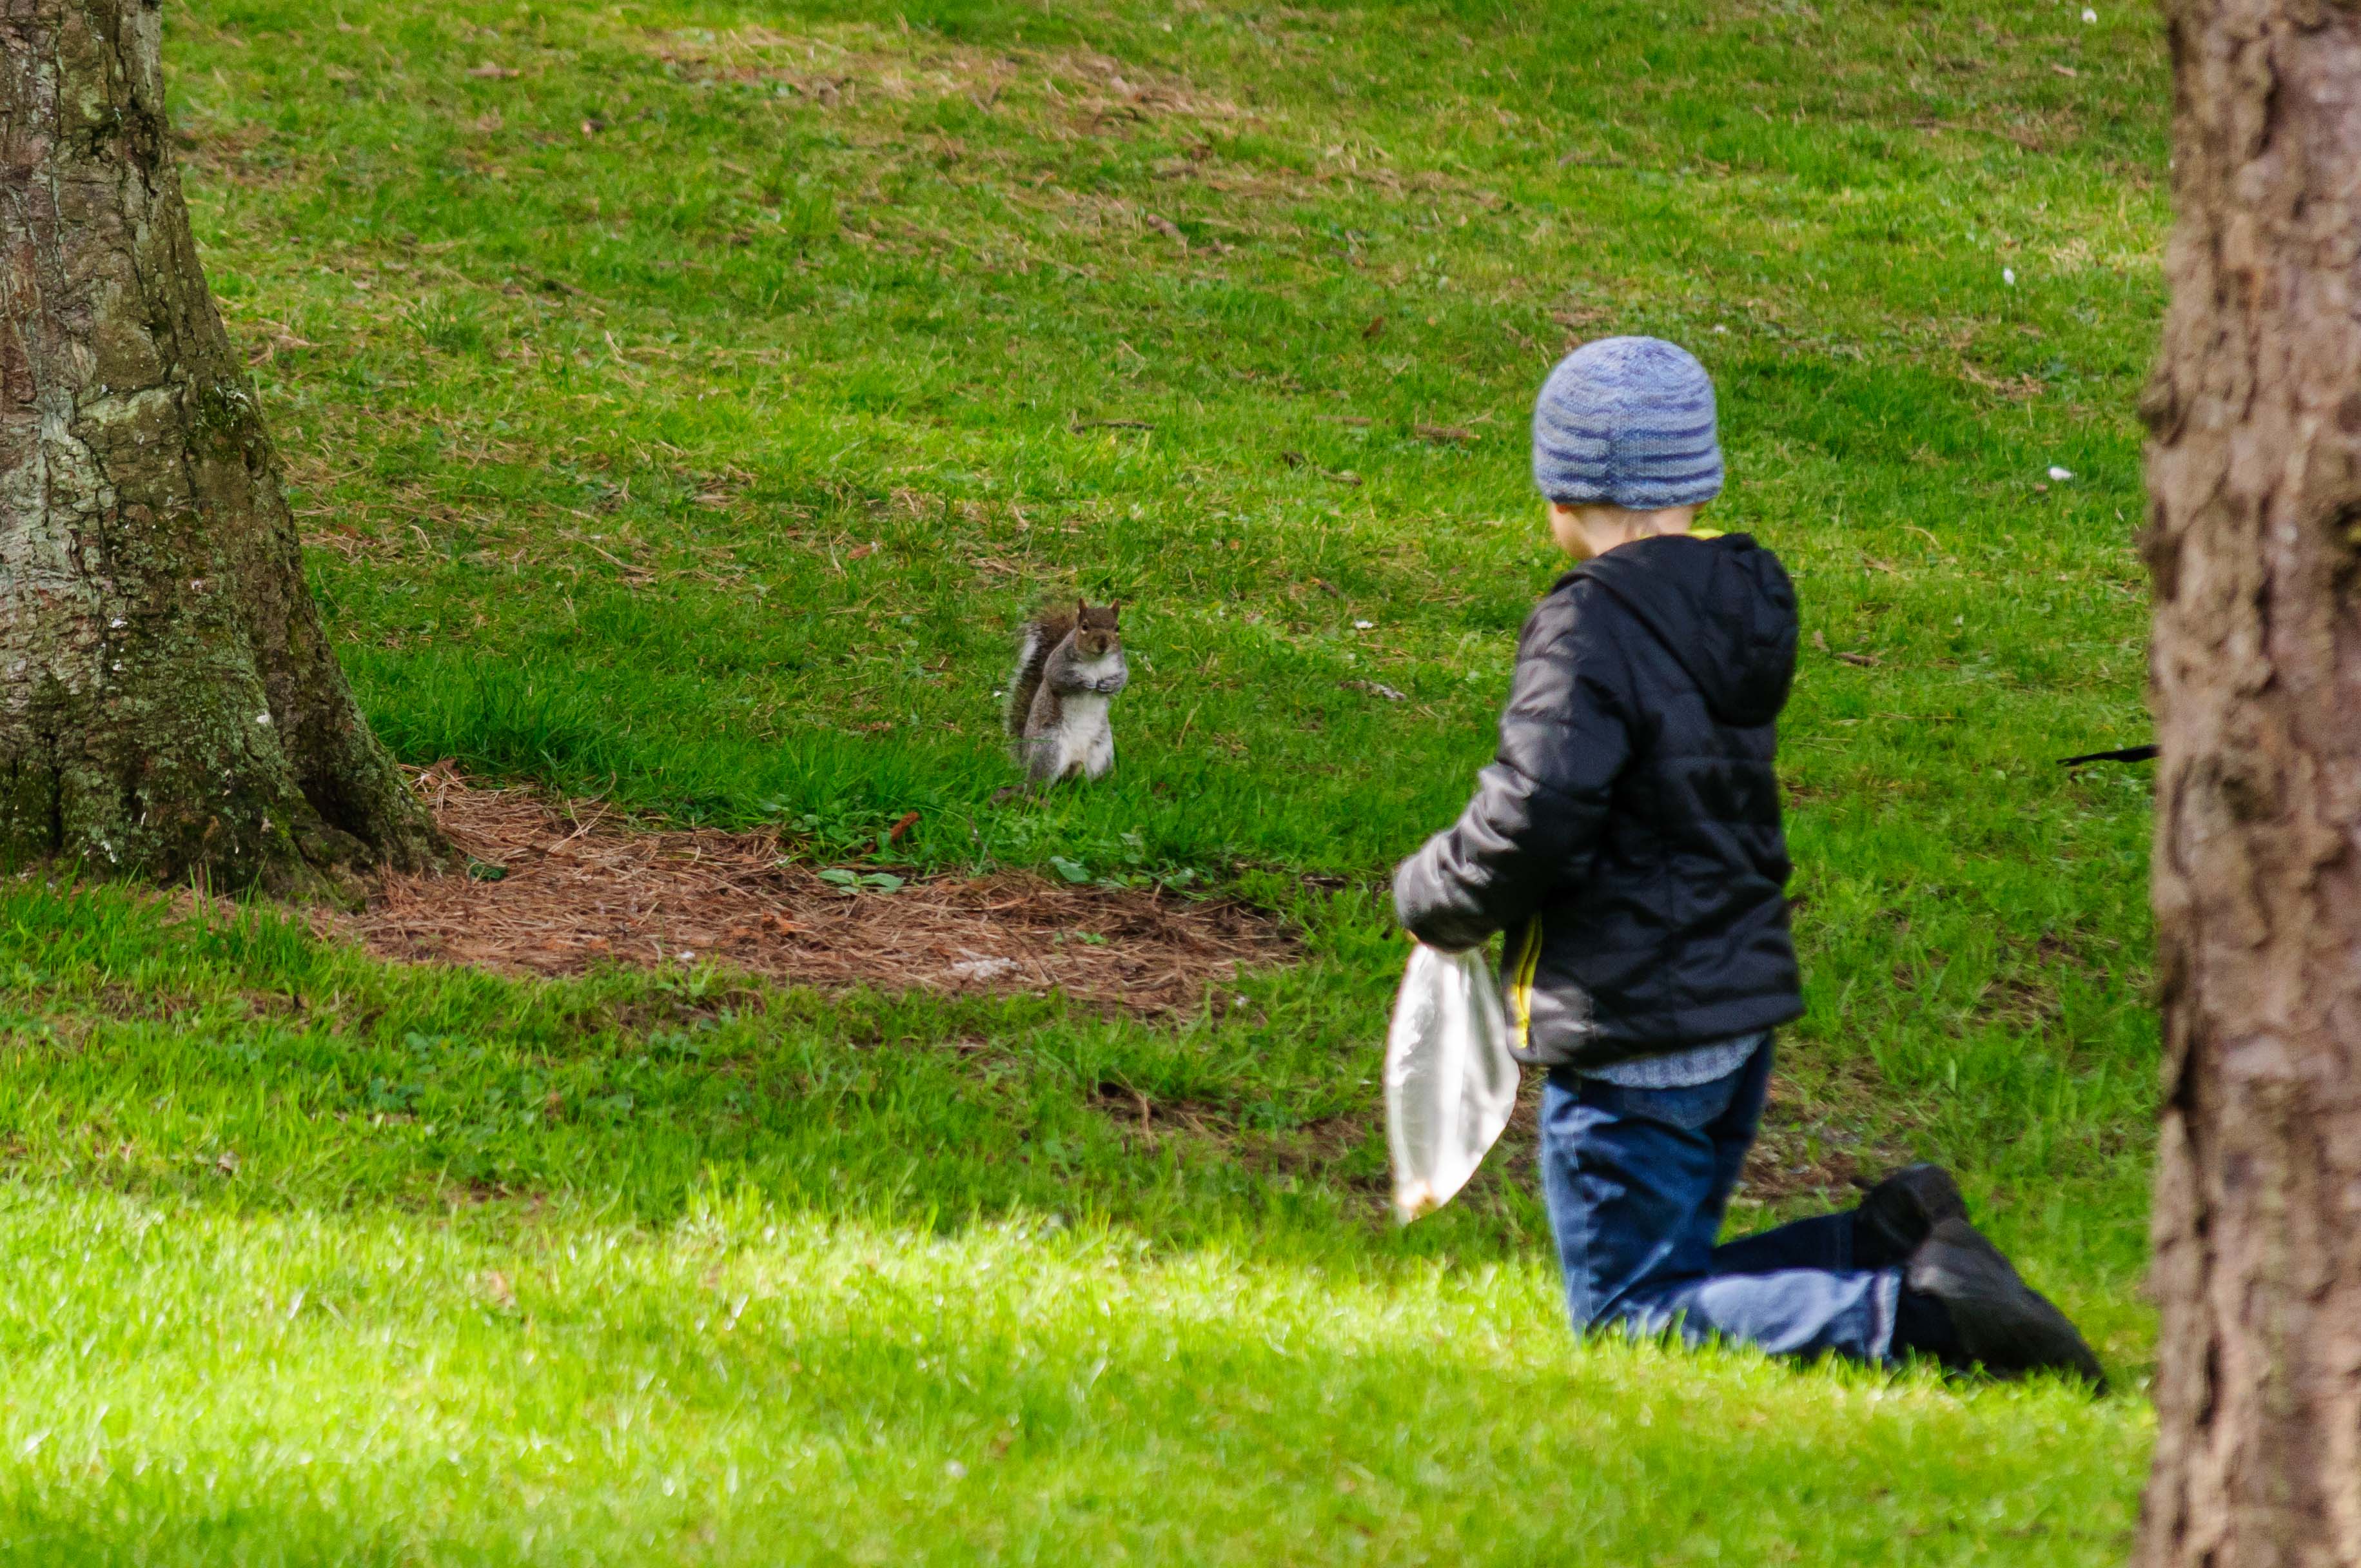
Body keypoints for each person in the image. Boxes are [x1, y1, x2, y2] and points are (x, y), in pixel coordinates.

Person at [1392, 337, 2103, 1385]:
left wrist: (1434, 894)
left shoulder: (1585, 625)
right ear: (1699, 478)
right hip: (1734, 1007)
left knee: (1628, 1315)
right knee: (1676, 1277)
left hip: (1632, 1026)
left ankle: (1914, 1313)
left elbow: (1537, 809)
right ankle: (1889, 1239)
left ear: (1563, 489)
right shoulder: (1741, 595)